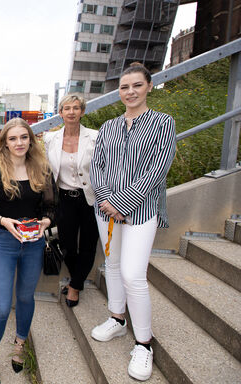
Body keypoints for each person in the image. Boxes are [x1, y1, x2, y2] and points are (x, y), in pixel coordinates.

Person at [89, 63, 176, 381]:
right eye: (124, 87)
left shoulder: (163, 123)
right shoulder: (108, 127)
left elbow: (157, 169)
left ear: (149, 86)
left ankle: (144, 344)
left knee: (132, 274)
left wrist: (124, 203)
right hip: (106, 210)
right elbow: (96, 165)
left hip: (140, 212)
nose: (130, 92)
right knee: (111, 265)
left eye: (136, 85)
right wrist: (108, 202)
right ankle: (117, 318)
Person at [0, 118, 57, 384]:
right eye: (13, 138)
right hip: (4, 242)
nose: (19, 143)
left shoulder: (41, 168)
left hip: (33, 243)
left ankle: (20, 343)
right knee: (0, 306)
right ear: (4, 142)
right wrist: (3, 220)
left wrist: (46, 221)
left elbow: (51, 208)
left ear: (31, 139)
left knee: (25, 297)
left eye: (24, 137)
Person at [43, 94, 99, 307]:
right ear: (60, 113)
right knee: (66, 244)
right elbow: (47, 170)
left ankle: (75, 287)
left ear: (82, 111)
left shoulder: (95, 137)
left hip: (90, 199)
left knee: (88, 244)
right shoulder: (51, 139)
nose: (72, 112)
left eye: (76, 108)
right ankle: (78, 279)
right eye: (67, 108)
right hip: (64, 199)